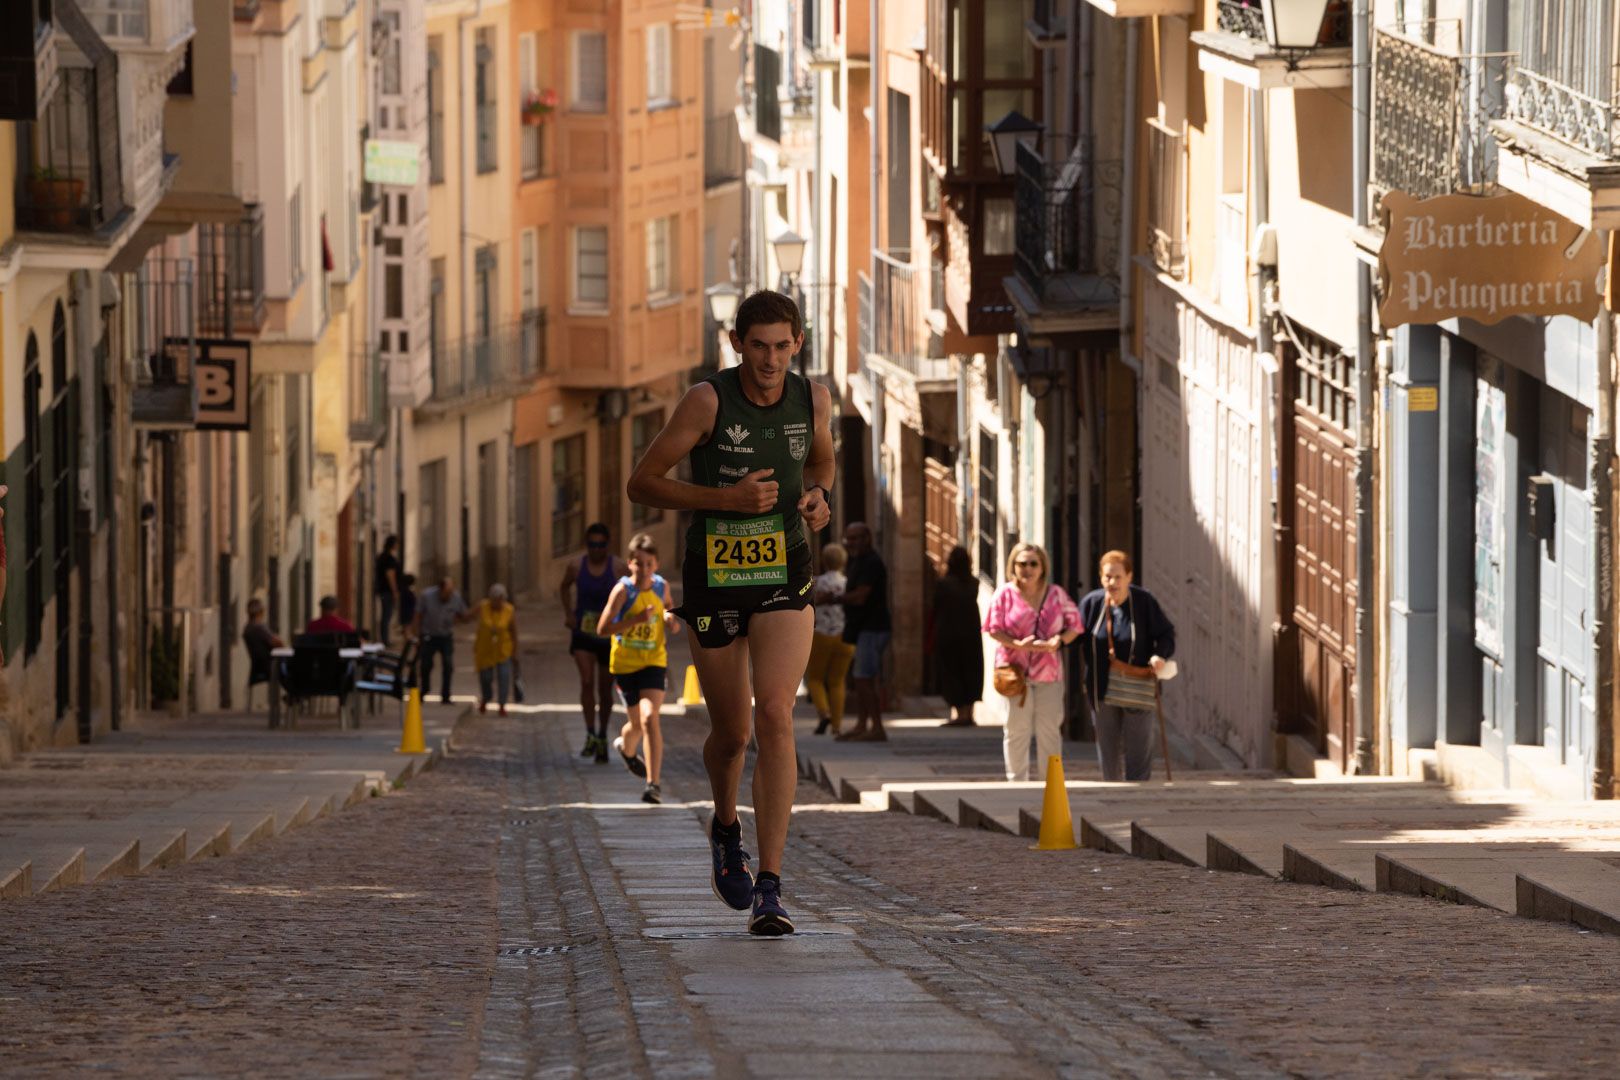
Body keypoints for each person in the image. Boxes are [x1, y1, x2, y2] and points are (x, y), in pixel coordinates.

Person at [626, 289, 834, 937]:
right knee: (732, 734)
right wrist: (727, 498)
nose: (771, 360)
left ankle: (771, 885)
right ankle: (725, 826)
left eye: (782, 346)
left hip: (785, 572)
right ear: (737, 344)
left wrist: (820, 496)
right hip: (716, 576)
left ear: (798, 343)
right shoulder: (707, 401)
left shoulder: (814, 398)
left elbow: (821, 458)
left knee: (775, 712)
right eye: (758, 346)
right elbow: (643, 481)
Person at [982, 543, 1082, 783]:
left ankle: (1052, 784)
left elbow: (1076, 625)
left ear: (1042, 567)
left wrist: (1058, 641)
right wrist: (1018, 645)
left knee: (1049, 730)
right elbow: (992, 629)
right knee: (1017, 730)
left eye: (1033, 563)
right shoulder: (1005, 594)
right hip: (1015, 676)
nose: (1027, 569)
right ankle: (1017, 781)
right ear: (1013, 566)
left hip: (1050, 674)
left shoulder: (1056, 594)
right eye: (1022, 563)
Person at [1078, 550, 1176, 781]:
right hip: (1101, 687)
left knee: (1138, 751)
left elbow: (1166, 634)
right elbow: (1074, 634)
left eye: (1118, 577)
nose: (1112, 582)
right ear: (1100, 578)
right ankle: (1112, 798)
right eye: (1107, 577)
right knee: (1108, 751)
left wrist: (1159, 655)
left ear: (1129, 577)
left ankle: (1137, 800)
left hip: (1138, 686)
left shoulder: (1143, 602)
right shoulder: (1092, 604)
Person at [597, 533, 680, 805]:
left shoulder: (661, 587)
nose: (644, 569)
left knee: (649, 718)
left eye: (649, 564)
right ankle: (626, 748)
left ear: (656, 565)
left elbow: (667, 608)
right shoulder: (623, 591)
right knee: (635, 725)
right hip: (625, 665)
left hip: (654, 661)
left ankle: (653, 784)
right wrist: (634, 620)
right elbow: (602, 629)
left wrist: (670, 619)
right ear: (630, 563)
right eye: (638, 563)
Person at [559, 522, 624, 764]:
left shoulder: (618, 567)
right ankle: (589, 733)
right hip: (583, 633)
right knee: (586, 681)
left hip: (608, 635)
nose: (596, 549)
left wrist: (624, 621)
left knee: (605, 689)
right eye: (592, 544)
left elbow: (632, 591)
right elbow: (563, 587)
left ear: (608, 545)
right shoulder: (576, 566)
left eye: (601, 545)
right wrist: (568, 613)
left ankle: (602, 734)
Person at [836, 522, 891, 742]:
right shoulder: (856, 561)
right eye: (849, 538)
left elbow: (861, 596)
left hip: (873, 627)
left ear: (867, 538)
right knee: (862, 679)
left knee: (864, 678)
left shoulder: (871, 562)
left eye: (857, 538)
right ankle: (861, 724)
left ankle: (876, 727)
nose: (852, 542)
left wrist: (833, 598)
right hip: (864, 628)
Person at [804, 542, 854, 736]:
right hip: (844, 636)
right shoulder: (848, 583)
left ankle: (824, 712)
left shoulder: (816, 583)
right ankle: (837, 725)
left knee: (815, 679)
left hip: (821, 635)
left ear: (824, 561)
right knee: (838, 681)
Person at [933, 546, 984, 726]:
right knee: (970, 671)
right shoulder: (974, 584)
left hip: (949, 633)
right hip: (970, 634)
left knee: (952, 672)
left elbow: (935, 607)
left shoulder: (943, 584)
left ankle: (960, 714)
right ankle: (968, 713)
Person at [415, 576, 471, 704]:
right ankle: (424, 689)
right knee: (426, 664)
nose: (448, 596)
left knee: (448, 664)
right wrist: (416, 635)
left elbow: (464, 615)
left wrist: (470, 614)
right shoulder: (427, 596)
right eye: (446, 593)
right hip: (428, 635)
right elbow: (417, 615)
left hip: (446, 636)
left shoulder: (456, 598)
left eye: (450, 593)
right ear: (440, 590)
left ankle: (445, 694)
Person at [473, 583, 518, 716]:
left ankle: (502, 705)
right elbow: (467, 616)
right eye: (495, 600)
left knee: (504, 678)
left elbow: (514, 632)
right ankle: (486, 698)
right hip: (485, 650)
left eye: (500, 600)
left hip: (503, 650)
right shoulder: (483, 607)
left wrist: (515, 652)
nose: (498, 603)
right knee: (485, 678)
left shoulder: (509, 610)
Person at [242, 597, 284, 710]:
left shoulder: (247, 628)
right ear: (261, 612)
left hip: (258, 665)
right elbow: (278, 642)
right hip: (270, 665)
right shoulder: (260, 627)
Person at [374, 535, 401, 644]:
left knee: (386, 615)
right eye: (396, 543)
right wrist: (394, 591)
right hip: (387, 591)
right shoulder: (389, 558)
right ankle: (385, 640)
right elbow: (390, 575)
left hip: (384, 590)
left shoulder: (383, 557)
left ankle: (384, 638)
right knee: (387, 615)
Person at [398, 573, 419, 640]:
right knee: (408, 631)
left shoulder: (404, 591)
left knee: (407, 630)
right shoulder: (407, 592)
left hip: (406, 613)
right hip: (408, 613)